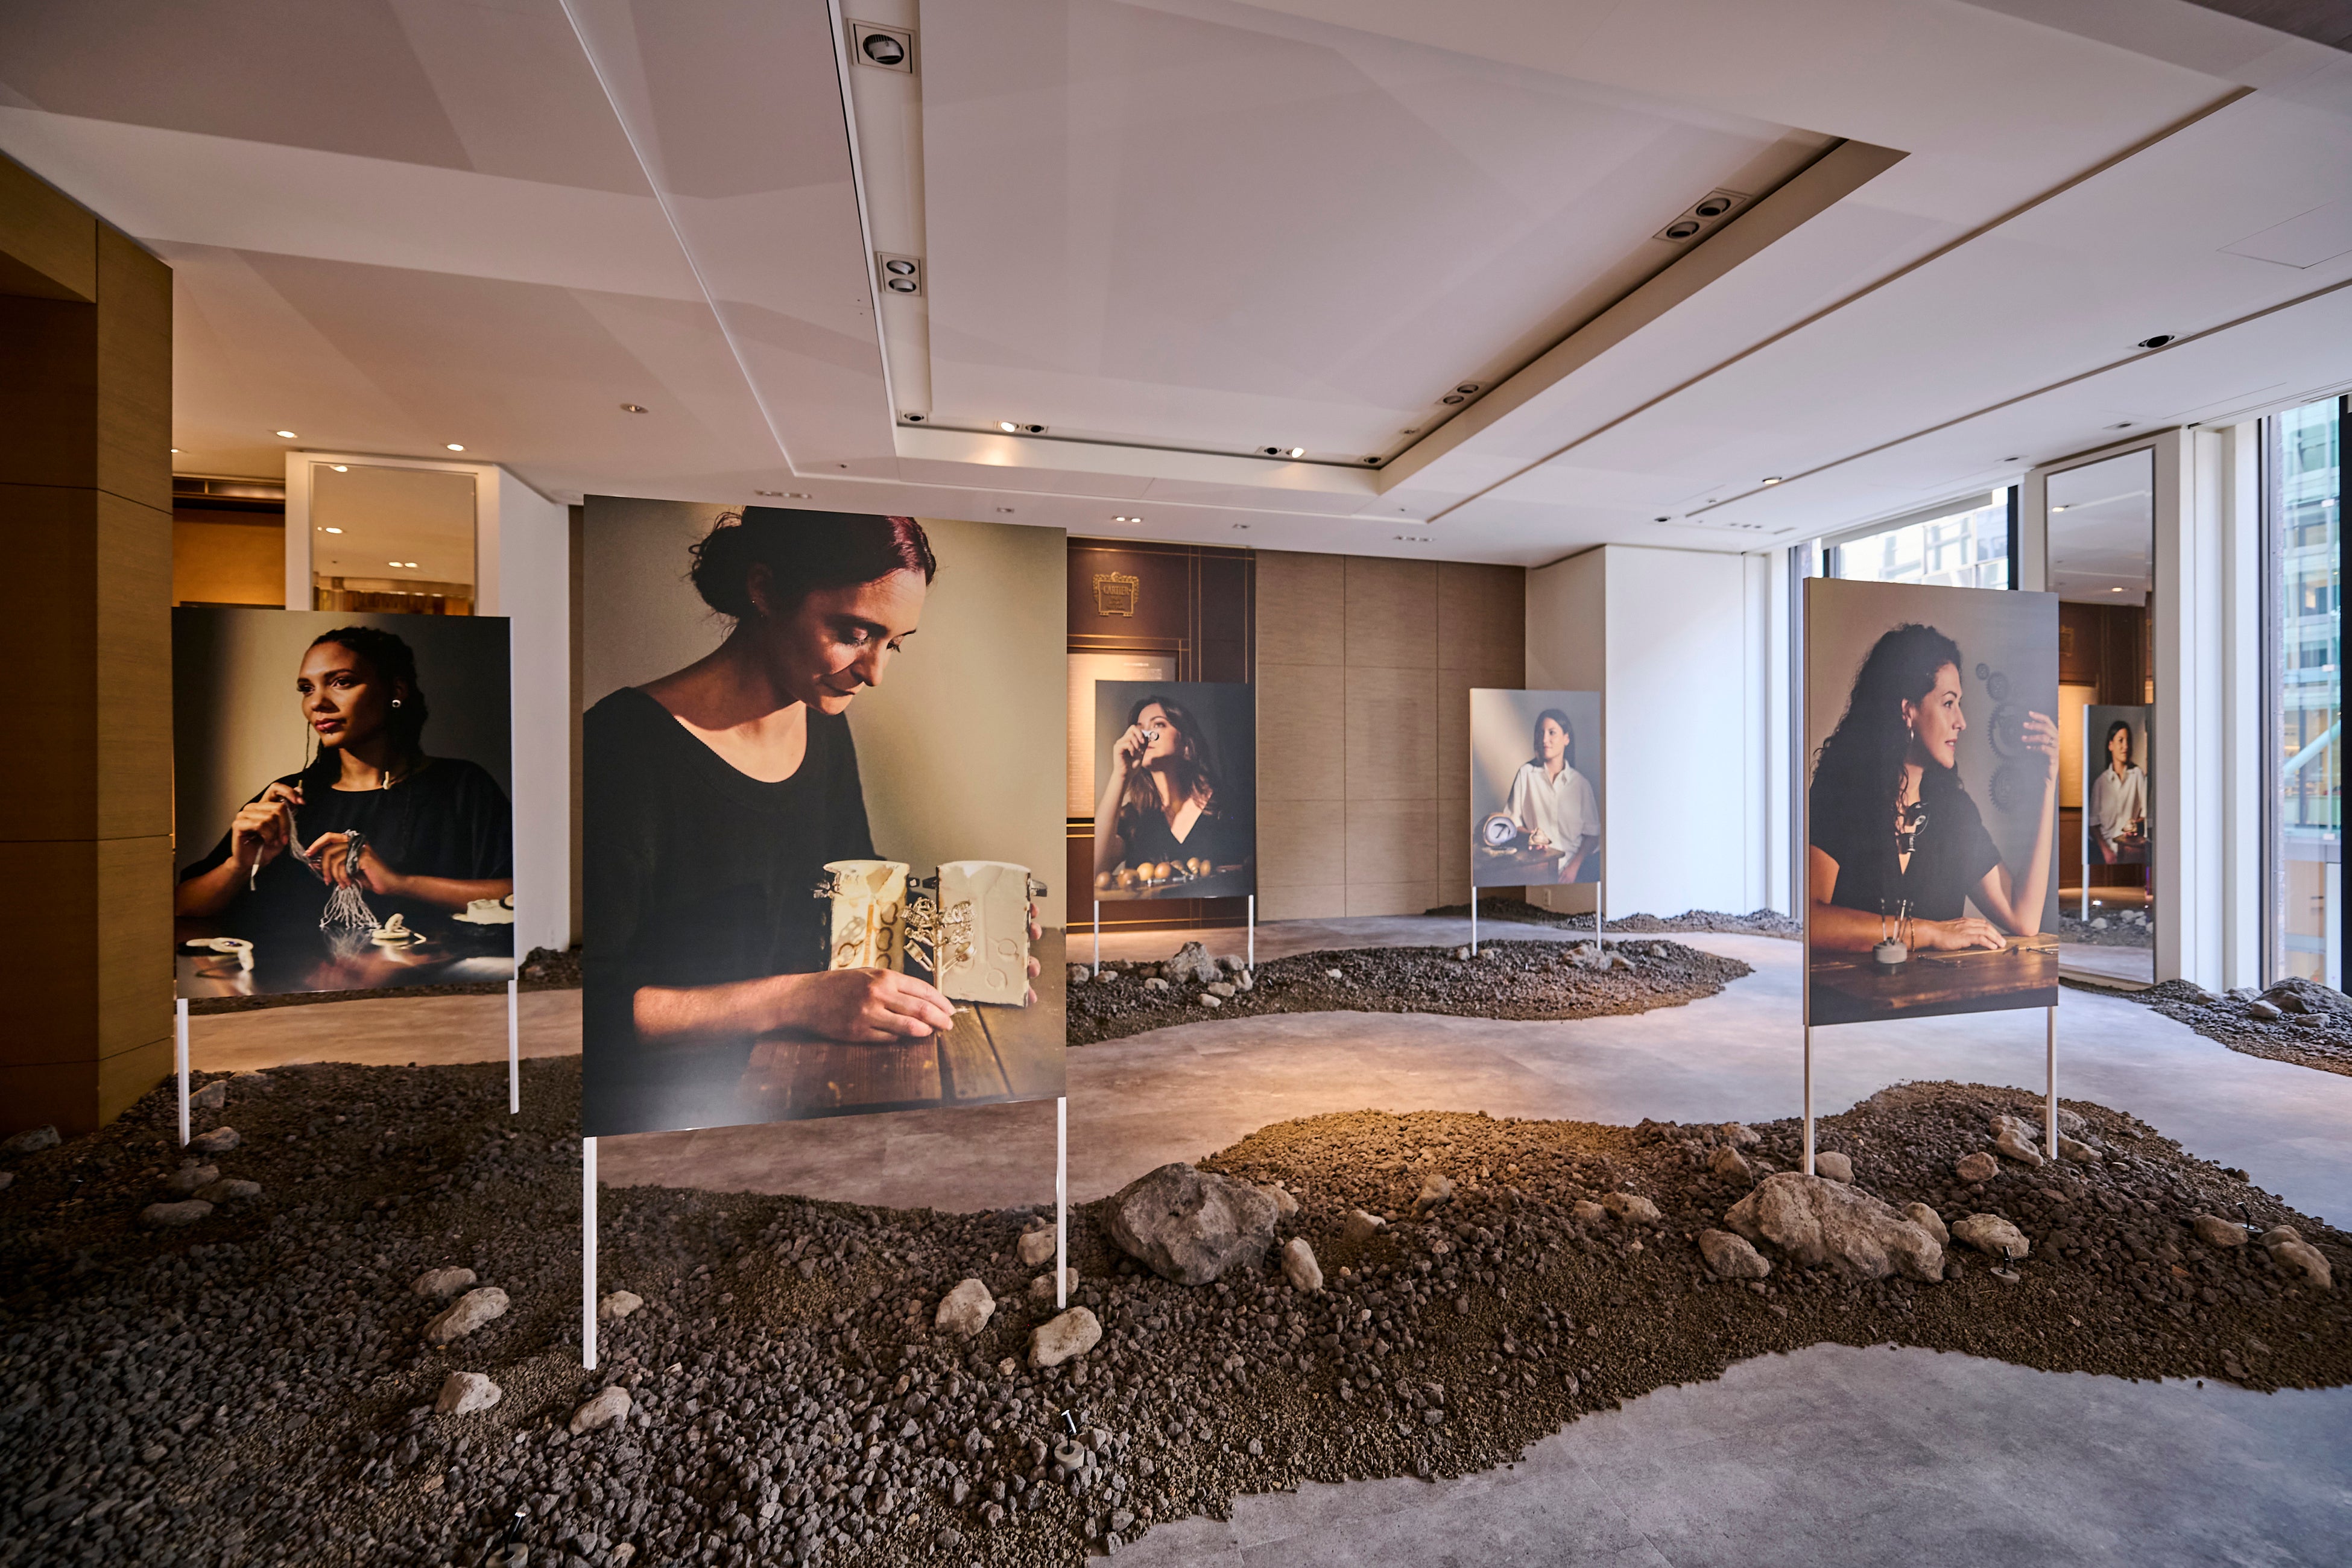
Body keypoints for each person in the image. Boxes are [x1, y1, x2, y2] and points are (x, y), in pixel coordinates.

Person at [586, 510, 1038, 1132]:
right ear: (766, 589)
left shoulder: (823, 722)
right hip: (665, 1116)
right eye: (854, 633)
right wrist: (798, 999)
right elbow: (589, 1003)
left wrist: (952, 935)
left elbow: (851, 884)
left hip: (804, 1085)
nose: (875, 672)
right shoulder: (621, 745)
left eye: (893, 643)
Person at [174, 625, 513, 947]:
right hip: (292, 983)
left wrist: (400, 884)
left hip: (428, 981)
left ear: (395, 691)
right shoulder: (289, 798)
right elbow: (180, 907)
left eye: (341, 682)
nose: (317, 703)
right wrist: (239, 866)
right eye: (307, 689)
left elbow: (518, 894)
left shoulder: (461, 787)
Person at [1808, 623, 2057, 952]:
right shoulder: (1839, 793)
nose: (1962, 722)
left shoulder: (1954, 812)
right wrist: (1927, 932)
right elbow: (1811, 921)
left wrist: (2047, 786)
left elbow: (2023, 917)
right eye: (1948, 703)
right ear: (1908, 710)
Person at [1092, 693, 1248, 876]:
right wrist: (1120, 775)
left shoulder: (1226, 805)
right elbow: (1093, 868)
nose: (1146, 736)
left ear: (1186, 743)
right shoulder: (1135, 817)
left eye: (1158, 725)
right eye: (1140, 729)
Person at [1502, 707, 1600, 883]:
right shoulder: (1526, 774)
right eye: (1541, 733)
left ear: (1566, 739)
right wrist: (1531, 837)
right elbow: (1512, 823)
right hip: (1539, 868)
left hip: (1576, 870)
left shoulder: (1581, 784)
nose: (1544, 739)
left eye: (1552, 733)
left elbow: (1593, 836)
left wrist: (1574, 867)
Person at [2088, 718, 2147, 864]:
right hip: (2105, 852)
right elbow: (2093, 824)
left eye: (2128, 741)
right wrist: (2106, 852)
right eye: (2121, 740)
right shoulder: (2101, 783)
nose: (2126, 746)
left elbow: (2145, 814)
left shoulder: (2137, 775)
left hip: (2130, 849)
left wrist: (2135, 824)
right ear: (2111, 745)